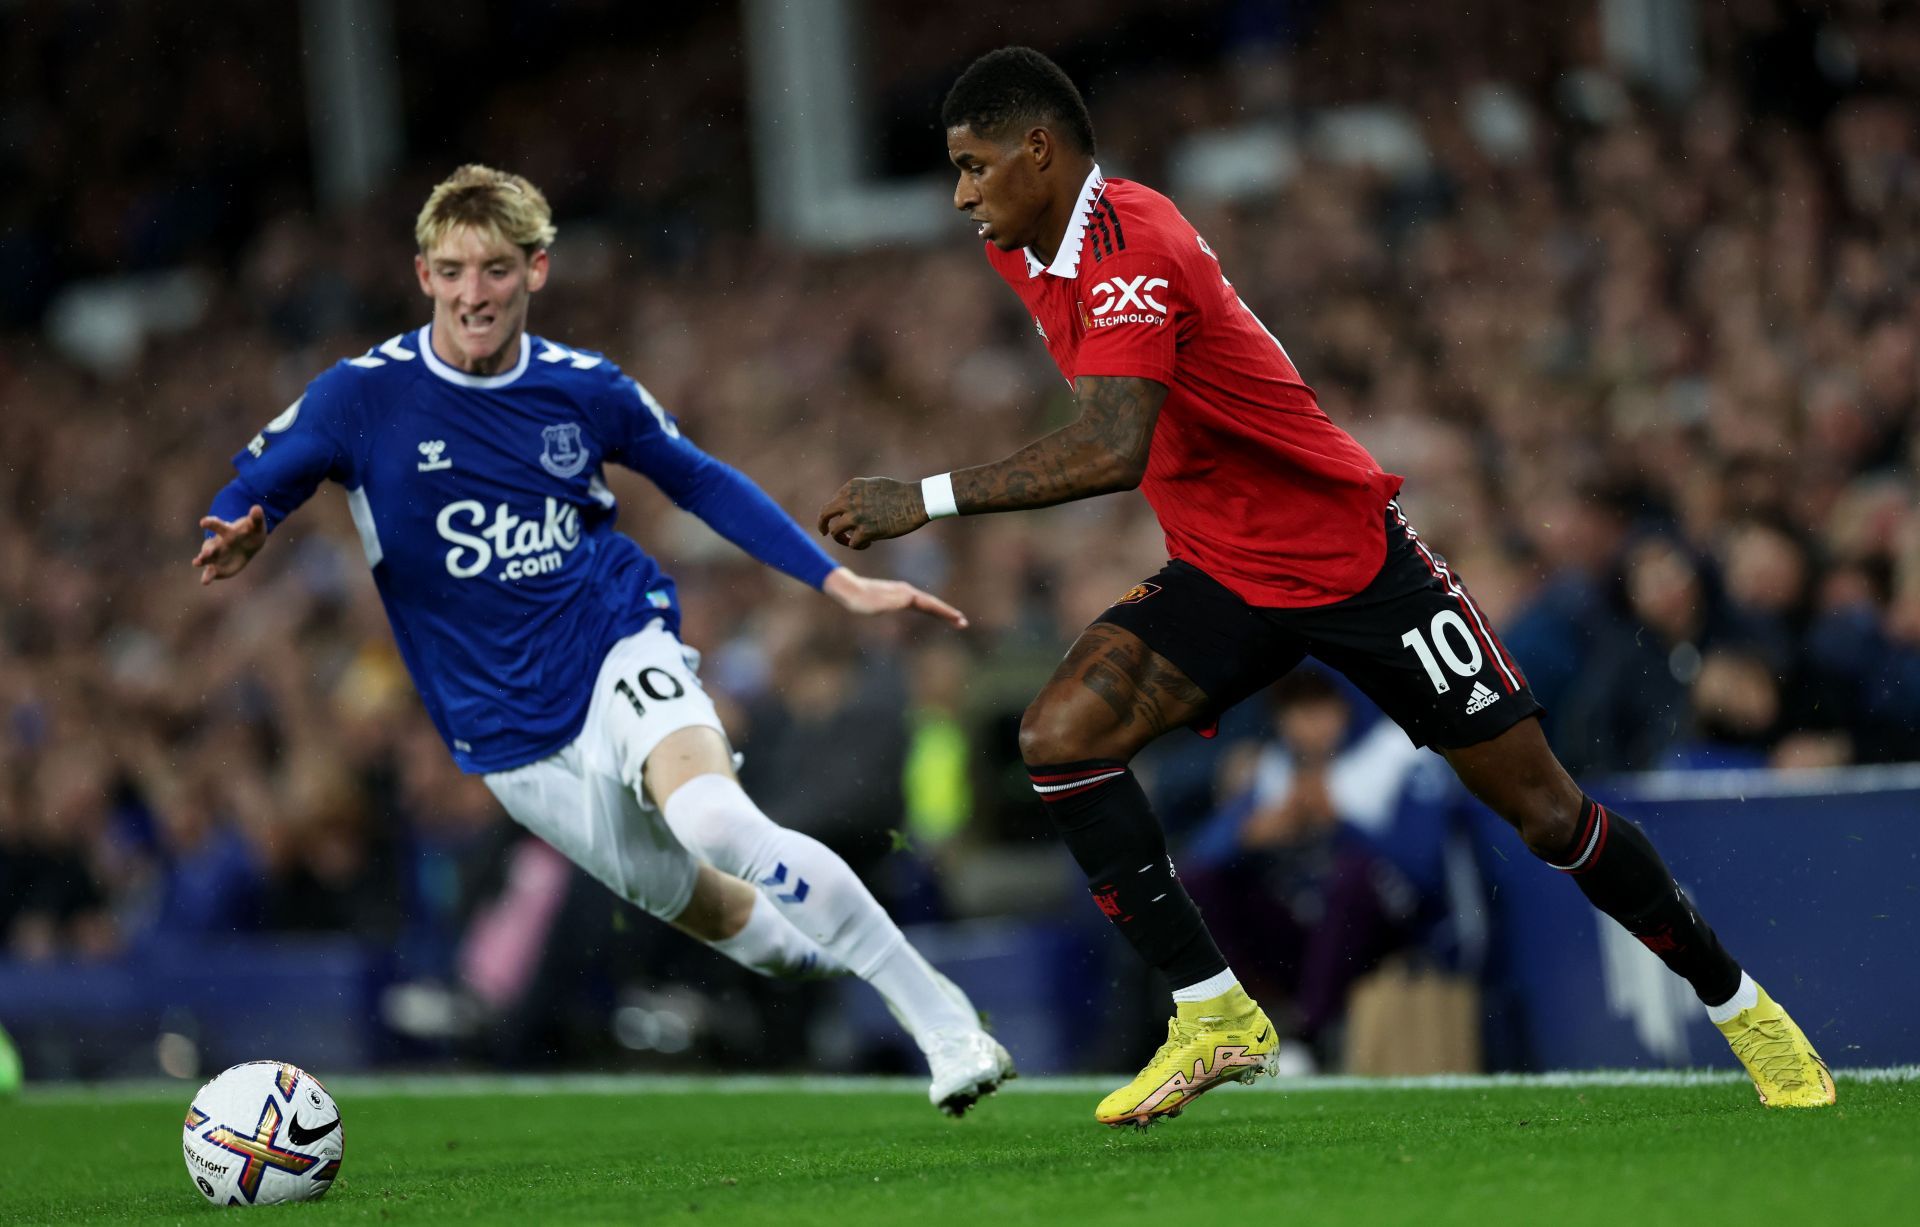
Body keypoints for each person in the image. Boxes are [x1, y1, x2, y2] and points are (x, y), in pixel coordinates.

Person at [817, 47, 1832, 1126]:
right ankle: (1214, 1014)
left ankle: (1744, 1007)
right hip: (1226, 572)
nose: (962, 195)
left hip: (1355, 562)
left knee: (1547, 816)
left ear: (1040, 151)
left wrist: (922, 495)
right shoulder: (1026, 248)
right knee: (1059, 737)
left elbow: (1113, 447)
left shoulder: (1129, 243)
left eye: (975, 167)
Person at [195, 165, 1013, 1114]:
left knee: (716, 820)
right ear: (422, 274)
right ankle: (861, 963)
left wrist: (834, 580)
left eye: (496, 269)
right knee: (735, 921)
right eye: (453, 271)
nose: (474, 294)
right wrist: (241, 520)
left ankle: (943, 1022)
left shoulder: (585, 389)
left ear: (536, 270)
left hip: (615, 642)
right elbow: (266, 477)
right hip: (506, 733)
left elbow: (700, 479)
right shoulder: (363, 396)